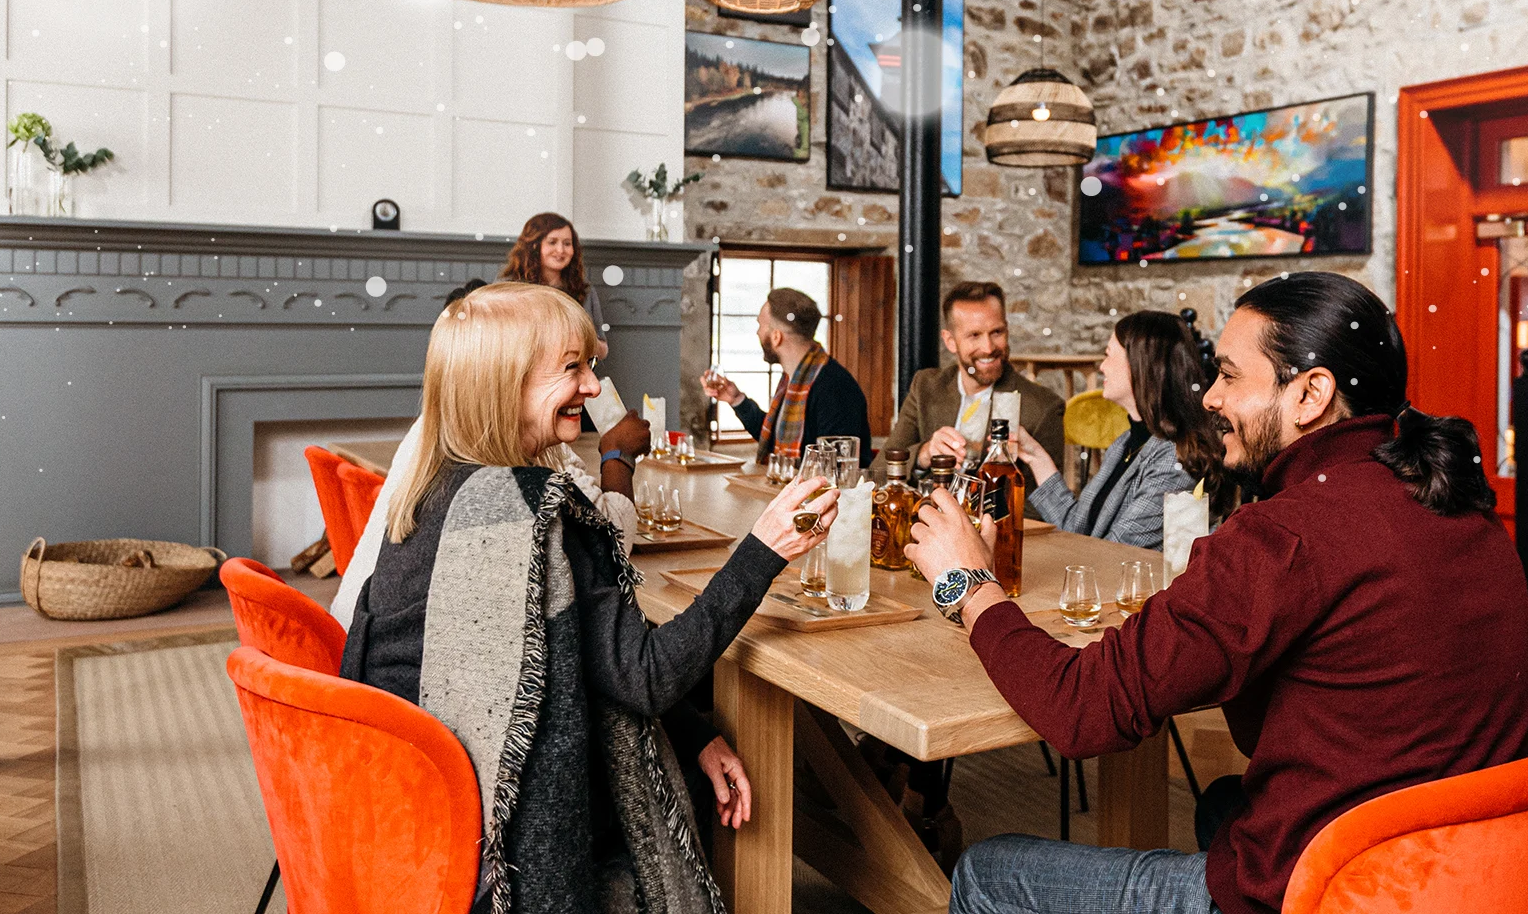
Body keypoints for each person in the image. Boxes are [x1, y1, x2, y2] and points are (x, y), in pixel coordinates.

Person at [904, 271, 1528, 914]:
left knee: (986, 871)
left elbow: (1080, 709)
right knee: (1222, 805)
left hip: (1334, 892)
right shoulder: (1460, 505)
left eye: (1231, 376)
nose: (1208, 397)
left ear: (1309, 395)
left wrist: (968, 581)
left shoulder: (1283, 535)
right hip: (1475, 875)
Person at [339, 282, 838, 914]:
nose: (596, 388)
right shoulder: (536, 512)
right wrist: (765, 546)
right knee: (679, 786)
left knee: (689, 741)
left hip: (407, 804)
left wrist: (694, 732)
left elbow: (575, 656)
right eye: (571, 368)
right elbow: (645, 677)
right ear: (502, 384)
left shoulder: (434, 487)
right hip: (507, 845)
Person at [327, 279, 650, 627]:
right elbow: (609, 549)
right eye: (572, 366)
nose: (594, 386)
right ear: (505, 375)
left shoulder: (441, 438)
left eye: (589, 365)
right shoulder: (499, 490)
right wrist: (617, 454)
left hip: (356, 653)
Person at [1012, 310, 1223, 549]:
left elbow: (1114, 552)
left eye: (1108, 355)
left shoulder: (1173, 461)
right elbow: (1076, 528)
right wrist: (1034, 455)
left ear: (1140, 365)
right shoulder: (1125, 443)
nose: (1102, 367)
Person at [881, 281, 1065, 474]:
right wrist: (923, 454)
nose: (988, 347)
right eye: (974, 335)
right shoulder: (926, 387)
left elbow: (1045, 502)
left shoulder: (1044, 408)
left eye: (997, 332)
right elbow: (878, 471)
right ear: (950, 341)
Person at [699, 287, 873, 465]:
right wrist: (736, 399)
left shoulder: (834, 387)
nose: (757, 332)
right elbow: (774, 441)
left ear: (776, 337)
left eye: (760, 325)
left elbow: (838, 469)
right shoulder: (796, 379)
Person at [502, 211, 610, 360]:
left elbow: (603, 350)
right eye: (552, 242)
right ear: (533, 246)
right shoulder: (508, 287)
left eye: (567, 244)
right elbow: (499, 341)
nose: (560, 250)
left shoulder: (584, 290)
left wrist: (581, 338)